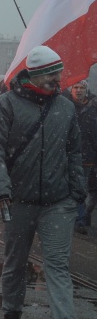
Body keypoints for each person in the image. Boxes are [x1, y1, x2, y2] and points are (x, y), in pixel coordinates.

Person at [0, 45, 95, 319]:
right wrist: (1, 189)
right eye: (51, 73)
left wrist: (77, 190)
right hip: (17, 200)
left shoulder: (65, 107)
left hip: (58, 202)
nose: (57, 79)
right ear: (34, 75)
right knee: (16, 263)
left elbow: (74, 151)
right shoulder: (6, 105)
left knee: (58, 264)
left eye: (57, 73)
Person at [68, 80, 97, 235]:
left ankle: (80, 219)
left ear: (86, 90)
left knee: (81, 188)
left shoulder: (93, 108)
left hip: (87, 156)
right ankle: (76, 217)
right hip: (67, 154)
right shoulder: (65, 106)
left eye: (81, 88)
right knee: (67, 187)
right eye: (75, 87)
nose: (78, 90)